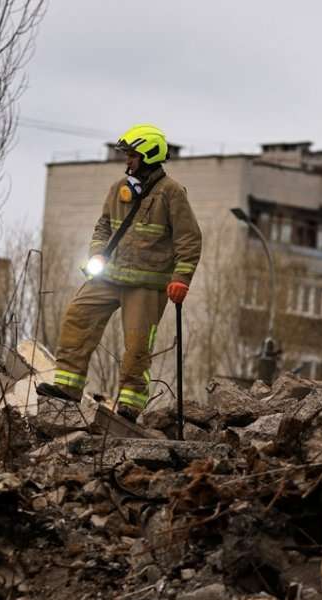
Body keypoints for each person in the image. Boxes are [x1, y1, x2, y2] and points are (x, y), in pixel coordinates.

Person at [36, 124, 202, 422]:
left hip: (146, 284)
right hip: (109, 276)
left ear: (149, 156)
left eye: (132, 155)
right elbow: (103, 226)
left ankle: (129, 405)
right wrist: (97, 253)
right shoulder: (118, 189)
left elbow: (189, 239)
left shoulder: (172, 193)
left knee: (137, 344)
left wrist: (181, 279)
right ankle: (67, 386)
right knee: (78, 316)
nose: (127, 161)